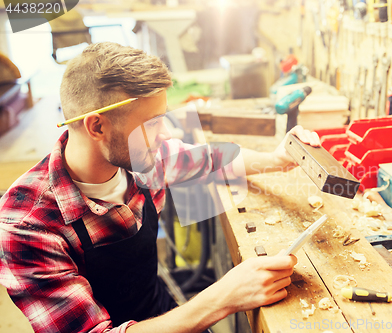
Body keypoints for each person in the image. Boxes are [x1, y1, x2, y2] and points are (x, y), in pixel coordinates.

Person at [0, 42, 321, 333]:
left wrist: (278, 158)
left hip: (160, 313)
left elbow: (210, 159)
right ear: (97, 126)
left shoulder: (141, 157)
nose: (166, 134)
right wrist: (223, 298)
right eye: (152, 123)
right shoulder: (27, 226)